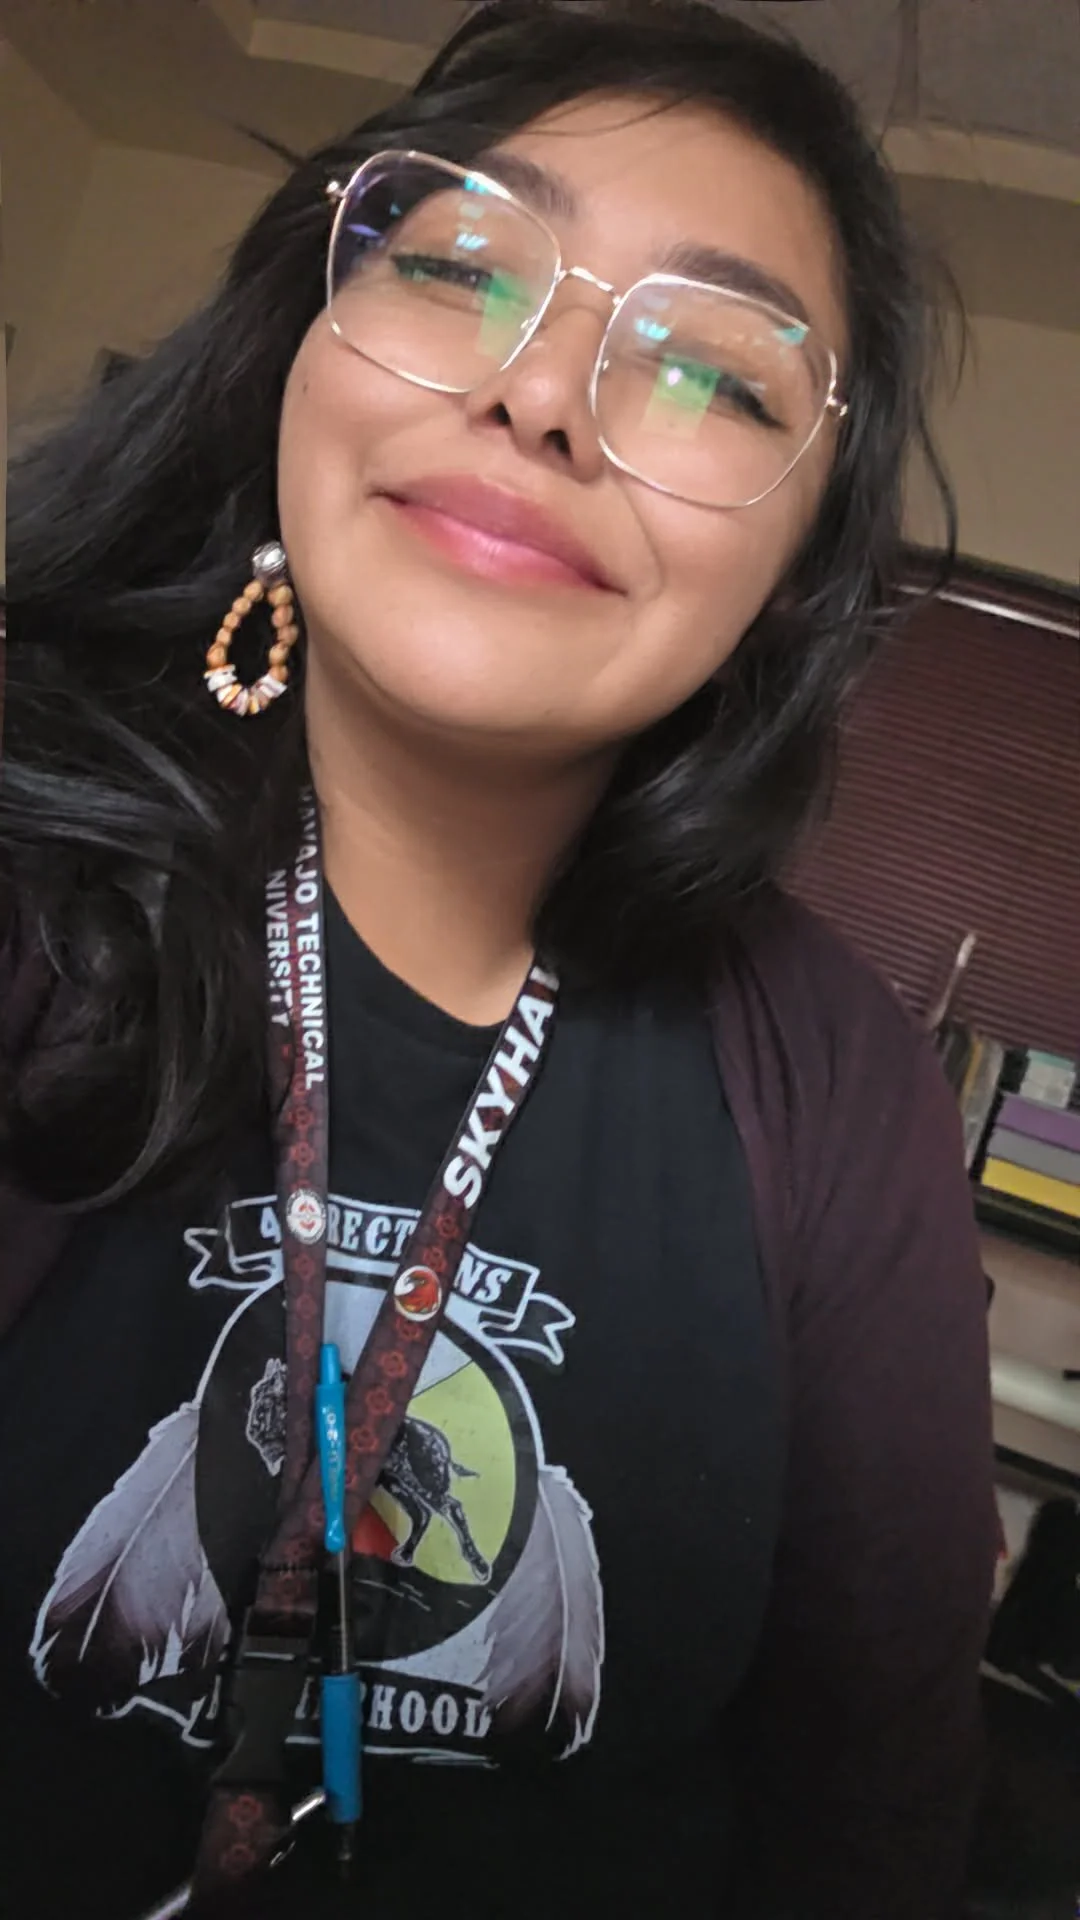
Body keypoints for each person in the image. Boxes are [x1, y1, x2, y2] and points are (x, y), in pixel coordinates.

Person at [0, 3, 998, 1916]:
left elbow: (870, 1824)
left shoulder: (839, 1090)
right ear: (300, 347)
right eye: (464, 265)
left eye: (715, 377)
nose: (545, 398)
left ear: (794, 567)